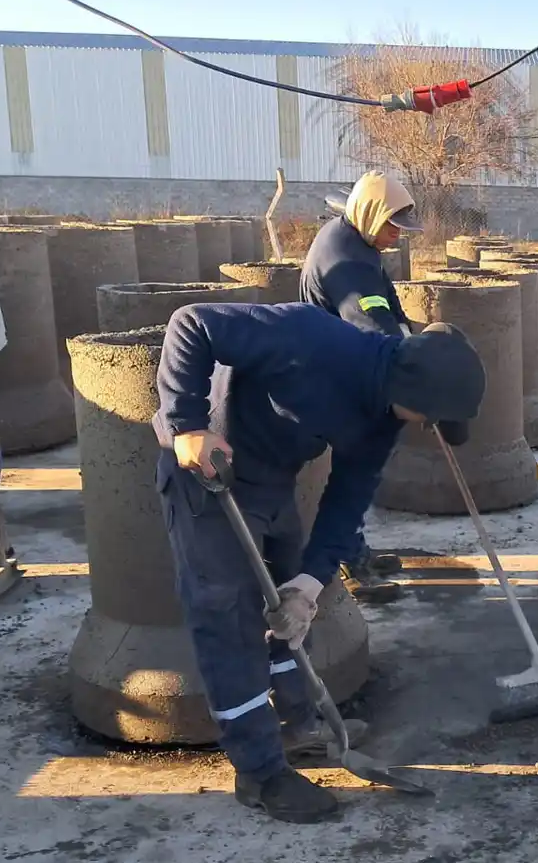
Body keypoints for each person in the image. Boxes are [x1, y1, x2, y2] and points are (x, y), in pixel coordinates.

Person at [155, 301, 484, 823]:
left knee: (290, 610)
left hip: (273, 483)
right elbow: (191, 323)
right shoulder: (312, 339)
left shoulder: (383, 421)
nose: (425, 427)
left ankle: (300, 727)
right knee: (229, 619)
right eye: (430, 418)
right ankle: (260, 772)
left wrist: (310, 584)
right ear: (412, 393)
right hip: (210, 475)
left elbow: (348, 499)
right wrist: (186, 424)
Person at [299, 170, 419, 603]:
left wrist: (413, 335)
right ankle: (345, 565)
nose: (397, 238)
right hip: (334, 375)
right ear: (371, 216)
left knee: (353, 468)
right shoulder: (345, 261)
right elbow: (370, 323)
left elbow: (388, 303)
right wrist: (414, 372)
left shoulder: (361, 241)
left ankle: (354, 549)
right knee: (351, 470)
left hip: (345, 363)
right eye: (393, 228)